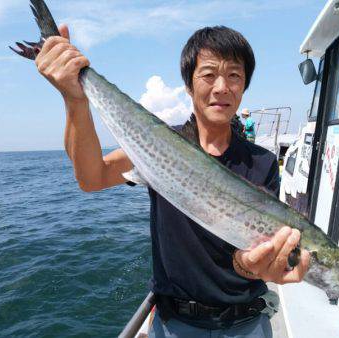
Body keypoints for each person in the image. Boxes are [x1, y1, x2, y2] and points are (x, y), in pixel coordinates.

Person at [35, 23, 310, 337]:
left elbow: (247, 257)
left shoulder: (262, 161)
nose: (222, 87)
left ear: (244, 85)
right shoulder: (159, 143)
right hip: (176, 325)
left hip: (247, 323)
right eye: (208, 75)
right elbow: (91, 177)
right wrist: (75, 99)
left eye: (234, 75)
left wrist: (252, 265)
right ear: (189, 86)